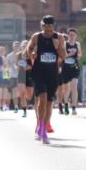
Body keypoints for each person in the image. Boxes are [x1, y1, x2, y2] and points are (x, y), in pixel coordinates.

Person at [24, 16, 66, 144]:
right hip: (39, 73)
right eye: (45, 26)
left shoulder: (59, 37)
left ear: (53, 26)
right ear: (42, 26)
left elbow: (63, 55)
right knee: (42, 98)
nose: (47, 29)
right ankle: (41, 128)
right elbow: (26, 52)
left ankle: (44, 126)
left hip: (52, 74)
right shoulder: (37, 37)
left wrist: (58, 47)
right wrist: (32, 54)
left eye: (50, 26)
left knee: (48, 103)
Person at [58, 28, 82, 115]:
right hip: (66, 68)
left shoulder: (77, 44)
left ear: (76, 36)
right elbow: (62, 56)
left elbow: (80, 53)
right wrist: (70, 54)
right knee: (66, 88)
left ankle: (74, 108)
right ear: (68, 36)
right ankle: (66, 105)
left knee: (74, 86)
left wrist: (78, 56)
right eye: (70, 35)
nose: (72, 36)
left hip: (74, 67)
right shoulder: (65, 44)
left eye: (73, 35)